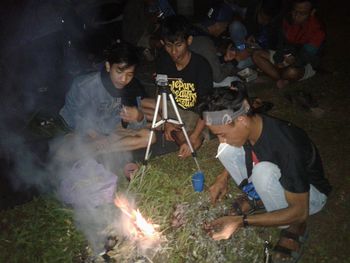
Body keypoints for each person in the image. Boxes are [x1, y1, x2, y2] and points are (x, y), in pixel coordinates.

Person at [198, 85, 331, 262]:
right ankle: (258, 196)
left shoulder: (285, 146)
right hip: (283, 179)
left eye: (222, 134)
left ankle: (293, 226)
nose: (222, 139)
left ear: (242, 120)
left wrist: (240, 221)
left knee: (263, 173)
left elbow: (300, 211)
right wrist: (223, 178)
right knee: (226, 150)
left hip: (310, 198)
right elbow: (245, 150)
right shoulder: (253, 125)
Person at [57, 42, 154, 161]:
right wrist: (96, 136)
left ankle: (101, 151)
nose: (124, 79)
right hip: (82, 132)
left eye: (129, 74)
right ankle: (93, 149)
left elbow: (134, 125)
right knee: (63, 151)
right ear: (108, 66)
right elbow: (78, 119)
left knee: (149, 137)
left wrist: (138, 116)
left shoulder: (131, 88)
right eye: (119, 72)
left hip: (110, 131)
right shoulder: (85, 85)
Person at [142, 15, 213, 158]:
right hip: (171, 107)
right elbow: (161, 92)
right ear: (163, 43)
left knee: (193, 142)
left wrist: (193, 137)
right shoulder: (163, 60)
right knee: (140, 104)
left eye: (179, 45)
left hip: (195, 114)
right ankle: (167, 127)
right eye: (169, 45)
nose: (173, 51)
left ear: (189, 41)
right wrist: (165, 120)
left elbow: (206, 107)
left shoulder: (201, 66)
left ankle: (175, 133)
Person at [252, 0, 325, 88]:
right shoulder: (287, 19)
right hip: (286, 56)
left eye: (302, 13)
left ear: (312, 12)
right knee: (256, 54)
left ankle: (275, 74)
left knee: (291, 72)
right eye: (295, 11)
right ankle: (280, 79)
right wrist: (278, 59)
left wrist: (292, 61)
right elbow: (281, 44)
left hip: (304, 64)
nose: (296, 16)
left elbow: (306, 57)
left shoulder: (317, 30)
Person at [189, 1, 241, 87]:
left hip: (189, 72)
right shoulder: (205, 42)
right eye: (225, 26)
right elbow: (218, 77)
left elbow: (205, 61)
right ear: (218, 24)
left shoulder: (195, 28)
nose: (225, 29)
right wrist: (236, 60)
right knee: (236, 81)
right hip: (193, 83)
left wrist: (223, 59)